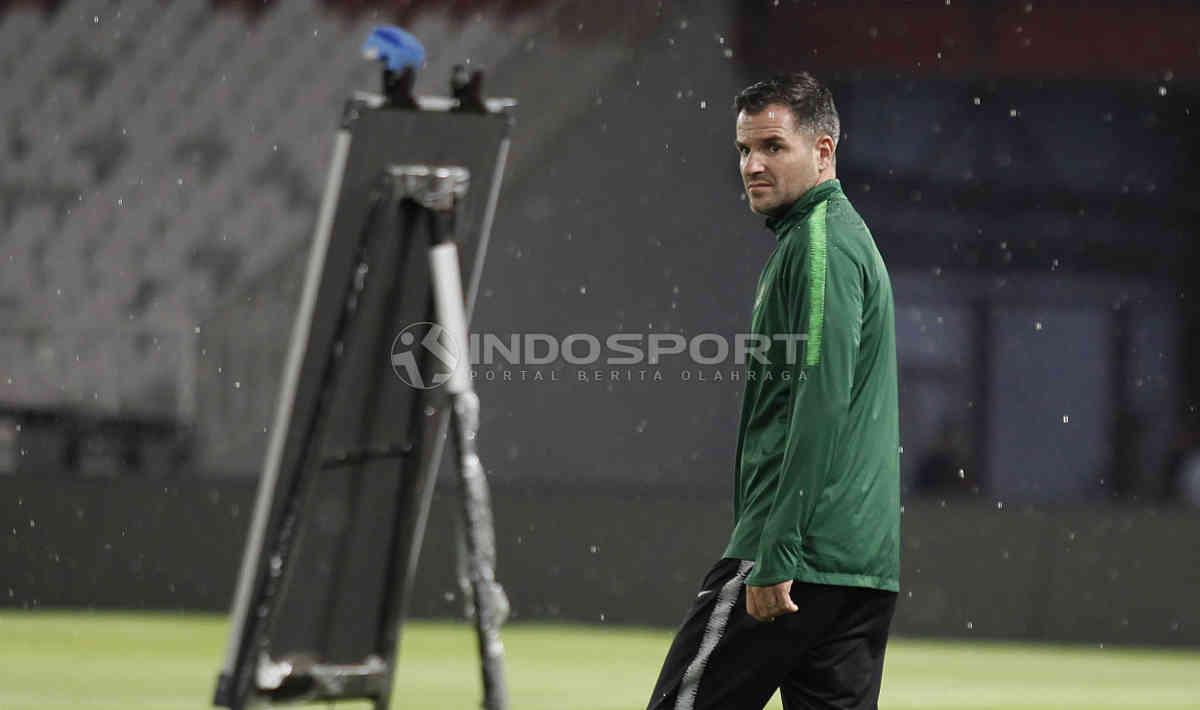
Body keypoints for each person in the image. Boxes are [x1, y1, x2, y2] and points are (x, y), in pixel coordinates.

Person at [647, 73, 900, 710]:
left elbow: (819, 407)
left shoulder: (819, 247)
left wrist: (777, 548)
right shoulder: (838, 238)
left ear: (823, 152)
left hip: (795, 556)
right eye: (743, 151)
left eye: (772, 147)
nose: (753, 165)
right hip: (857, 565)